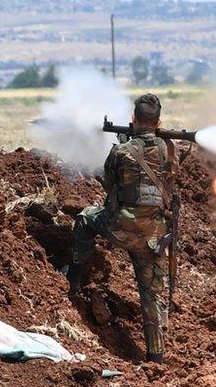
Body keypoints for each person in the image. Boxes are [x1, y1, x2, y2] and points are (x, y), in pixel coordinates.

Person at [68, 93, 177, 364]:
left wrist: (124, 145)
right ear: (159, 121)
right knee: (151, 294)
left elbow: (109, 183)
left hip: (121, 229)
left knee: (84, 218)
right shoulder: (168, 148)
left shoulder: (122, 152)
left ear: (133, 118)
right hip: (154, 237)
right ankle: (156, 357)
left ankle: (74, 281)